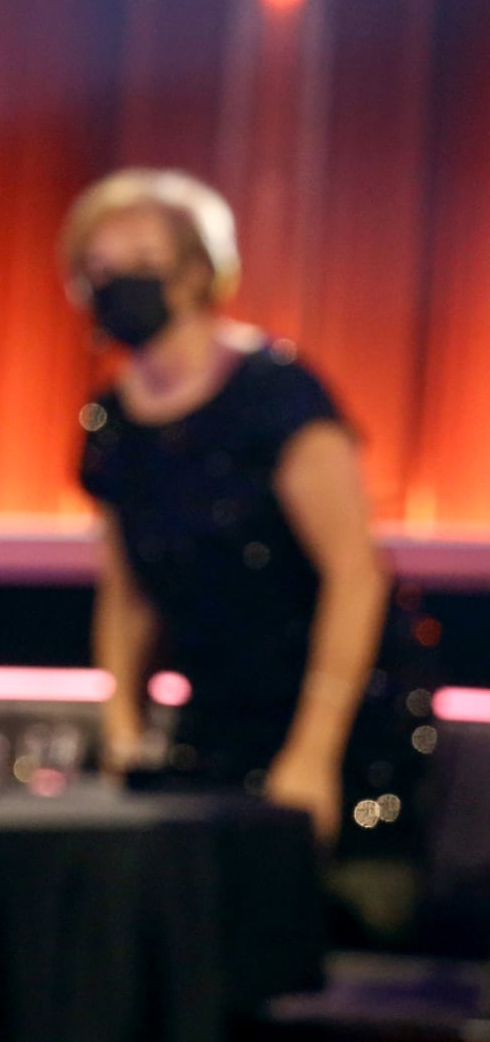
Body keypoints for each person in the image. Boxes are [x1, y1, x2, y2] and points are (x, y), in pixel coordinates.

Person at [67, 169, 400, 848]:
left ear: (197, 272)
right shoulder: (113, 424)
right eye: (99, 266)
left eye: (142, 262)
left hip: (336, 719)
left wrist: (313, 751)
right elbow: (127, 592)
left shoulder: (275, 394)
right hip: (211, 722)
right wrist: (124, 718)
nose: (116, 281)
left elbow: (356, 574)